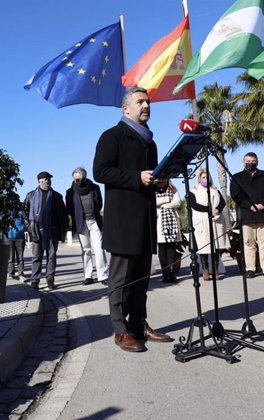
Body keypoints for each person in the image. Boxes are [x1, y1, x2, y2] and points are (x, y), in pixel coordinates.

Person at [93, 87, 173, 353]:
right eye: (140, 102)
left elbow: (151, 177)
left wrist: (159, 181)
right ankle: (120, 330)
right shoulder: (112, 136)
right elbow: (101, 172)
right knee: (120, 280)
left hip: (146, 222)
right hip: (123, 222)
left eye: (148, 102)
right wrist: (137, 177)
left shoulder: (150, 141)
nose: (146, 105)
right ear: (126, 109)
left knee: (141, 280)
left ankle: (139, 325)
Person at [230, 152, 264, 279]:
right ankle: (250, 269)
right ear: (243, 162)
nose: (250, 163)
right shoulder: (237, 177)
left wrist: (263, 204)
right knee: (248, 243)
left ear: (257, 162)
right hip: (247, 215)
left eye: (253, 161)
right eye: (248, 161)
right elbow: (236, 195)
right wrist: (249, 206)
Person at [23, 171, 68, 290]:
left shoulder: (57, 196)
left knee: (51, 256)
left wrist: (62, 231)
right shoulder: (31, 195)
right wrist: (29, 226)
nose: (46, 182)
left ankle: (50, 279)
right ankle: (35, 280)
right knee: (36, 256)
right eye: (44, 181)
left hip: (53, 230)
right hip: (37, 230)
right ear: (39, 181)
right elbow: (25, 212)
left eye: (48, 180)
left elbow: (63, 215)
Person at [65, 166, 108, 286]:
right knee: (86, 250)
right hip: (80, 223)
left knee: (99, 248)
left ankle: (103, 275)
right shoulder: (70, 192)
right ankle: (88, 276)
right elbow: (69, 208)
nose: (76, 181)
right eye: (75, 179)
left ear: (84, 177)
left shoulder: (94, 188)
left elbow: (99, 203)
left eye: (79, 179)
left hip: (94, 221)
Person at [189, 169, 230, 281]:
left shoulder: (215, 190)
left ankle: (216, 271)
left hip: (216, 220)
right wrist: (208, 210)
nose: (205, 179)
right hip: (202, 221)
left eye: (207, 177)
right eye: (203, 177)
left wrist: (217, 209)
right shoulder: (194, 191)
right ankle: (205, 270)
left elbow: (222, 202)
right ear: (199, 178)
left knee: (216, 247)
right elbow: (194, 205)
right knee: (204, 247)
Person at [155, 178, 183, 283]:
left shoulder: (172, 189)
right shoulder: (152, 190)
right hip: (158, 223)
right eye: (159, 180)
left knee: (171, 248)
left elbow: (177, 202)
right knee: (161, 248)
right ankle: (164, 273)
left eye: (163, 179)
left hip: (171, 223)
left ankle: (172, 273)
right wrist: (167, 199)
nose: (161, 181)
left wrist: (162, 206)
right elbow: (153, 202)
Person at [5, 209, 26, 281]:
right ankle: (11, 273)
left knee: (20, 257)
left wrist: (22, 228)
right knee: (10, 258)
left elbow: (26, 221)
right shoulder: (6, 211)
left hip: (20, 237)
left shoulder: (21, 211)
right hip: (9, 236)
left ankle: (21, 274)